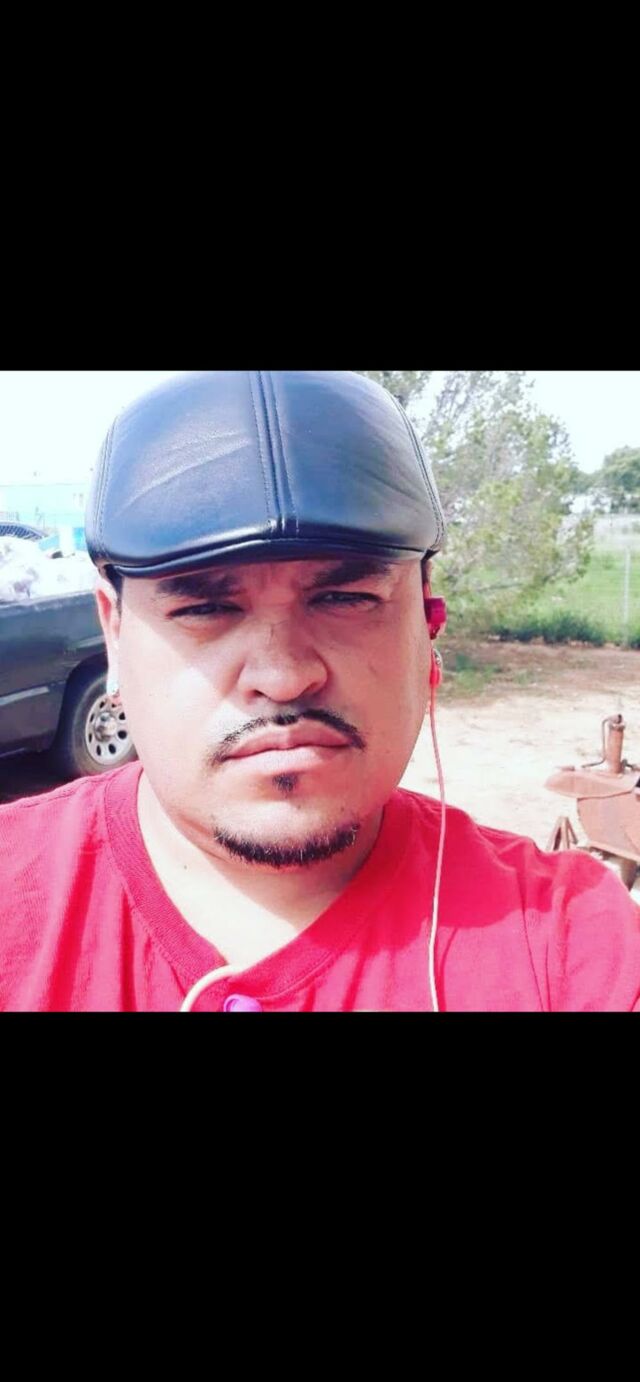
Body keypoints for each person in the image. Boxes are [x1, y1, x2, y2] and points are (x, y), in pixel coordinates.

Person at [1, 370, 639, 1012]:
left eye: (346, 597)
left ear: (427, 622)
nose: (283, 676)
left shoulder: (569, 939)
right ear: (114, 634)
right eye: (204, 608)